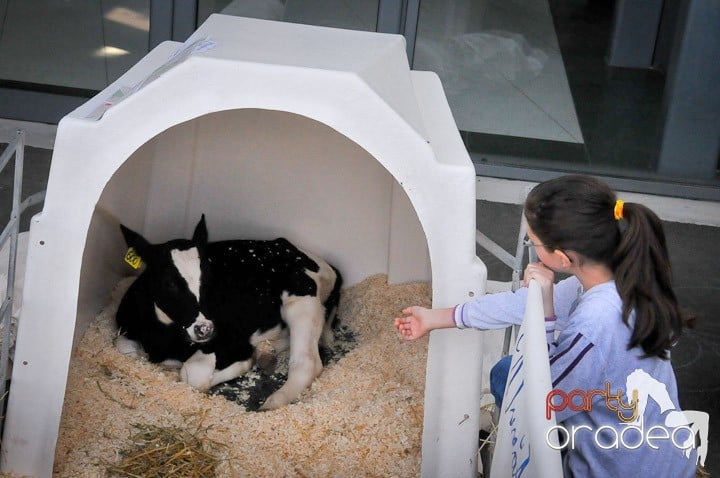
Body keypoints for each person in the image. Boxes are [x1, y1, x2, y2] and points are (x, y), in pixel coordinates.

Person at [394, 175, 699, 477]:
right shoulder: (619, 275)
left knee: (510, 379)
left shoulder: (597, 323)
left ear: (563, 258)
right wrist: (436, 317)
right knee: (504, 371)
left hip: (622, 468)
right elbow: (519, 304)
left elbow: (542, 401)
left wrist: (546, 313)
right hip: (656, 448)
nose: (531, 246)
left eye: (534, 242)